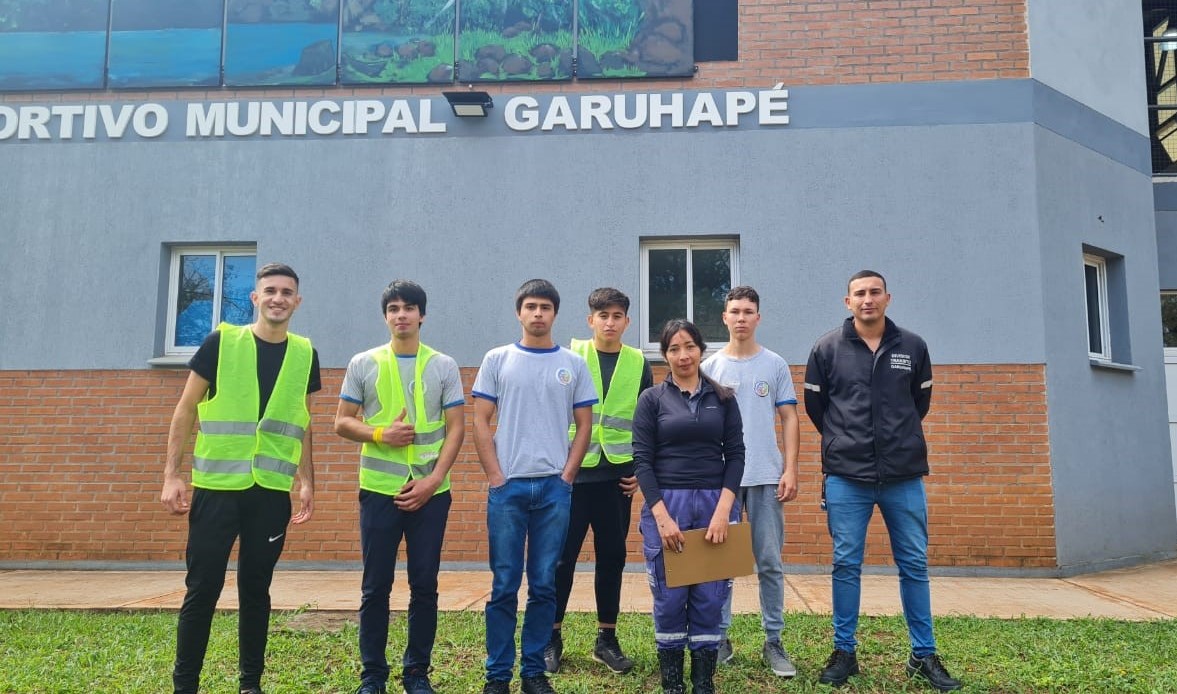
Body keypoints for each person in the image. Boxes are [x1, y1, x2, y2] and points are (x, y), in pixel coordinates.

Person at [161, 262, 320, 694]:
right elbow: (185, 408)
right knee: (202, 590)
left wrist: (307, 481)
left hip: (270, 494)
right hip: (216, 491)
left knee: (256, 590)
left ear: (297, 301)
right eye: (270, 290)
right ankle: (185, 686)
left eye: (287, 292)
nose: (278, 298)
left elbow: (302, 422)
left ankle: (250, 685)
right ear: (255, 297)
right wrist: (171, 475)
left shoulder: (305, 353)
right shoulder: (222, 341)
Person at [803, 270, 962, 692]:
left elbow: (919, 403)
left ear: (888, 298)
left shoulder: (912, 346)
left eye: (874, 292)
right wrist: (845, 441)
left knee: (913, 565)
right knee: (845, 566)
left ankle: (923, 655)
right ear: (847, 301)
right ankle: (844, 652)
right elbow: (817, 409)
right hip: (846, 477)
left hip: (903, 476)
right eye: (860, 293)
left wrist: (894, 438)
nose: (867, 299)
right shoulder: (826, 348)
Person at [334, 280, 466, 694]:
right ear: (386, 316)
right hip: (379, 491)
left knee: (424, 585)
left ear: (422, 315)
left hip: (431, 493)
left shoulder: (443, 365)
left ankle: (417, 673)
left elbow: (456, 429)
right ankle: (373, 676)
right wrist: (378, 435)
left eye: (409, 308)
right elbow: (341, 421)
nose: (402, 314)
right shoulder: (364, 362)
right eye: (393, 308)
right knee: (376, 587)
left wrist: (432, 481)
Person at [472, 279, 597, 694]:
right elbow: (480, 421)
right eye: (530, 306)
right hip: (507, 489)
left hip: (553, 490)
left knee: (543, 584)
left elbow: (584, 426)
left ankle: (533, 673)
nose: (538, 313)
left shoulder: (573, 363)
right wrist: (495, 476)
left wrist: (567, 475)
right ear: (519, 312)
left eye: (545, 307)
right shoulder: (498, 359)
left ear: (555, 314)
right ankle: (497, 676)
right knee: (504, 584)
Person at [545, 288, 654, 676]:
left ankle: (606, 639)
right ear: (590, 319)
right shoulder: (571, 357)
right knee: (561, 560)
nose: (610, 322)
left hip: (617, 479)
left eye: (617, 315)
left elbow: (646, 424)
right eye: (602, 315)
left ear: (627, 321)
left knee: (612, 558)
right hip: (572, 477)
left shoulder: (639, 362)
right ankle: (551, 637)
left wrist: (640, 473)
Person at [633, 319, 745, 694]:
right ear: (664, 355)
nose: (683, 356)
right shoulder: (651, 400)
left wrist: (724, 511)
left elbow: (737, 456)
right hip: (668, 504)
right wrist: (662, 517)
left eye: (689, 347)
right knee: (669, 598)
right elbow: (642, 461)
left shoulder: (725, 398)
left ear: (701, 349)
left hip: (716, 503)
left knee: (710, 598)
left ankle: (703, 684)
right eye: (674, 349)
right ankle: (672, 684)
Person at [701, 286, 799, 677]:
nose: (741, 318)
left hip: (765, 479)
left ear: (758, 318)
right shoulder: (710, 367)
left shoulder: (774, 365)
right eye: (735, 311)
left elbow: (790, 418)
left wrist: (789, 468)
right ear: (724, 317)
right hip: (722, 482)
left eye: (748, 312)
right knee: (721, 562)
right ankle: (720, 637)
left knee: (770, 563)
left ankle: (773, 640)